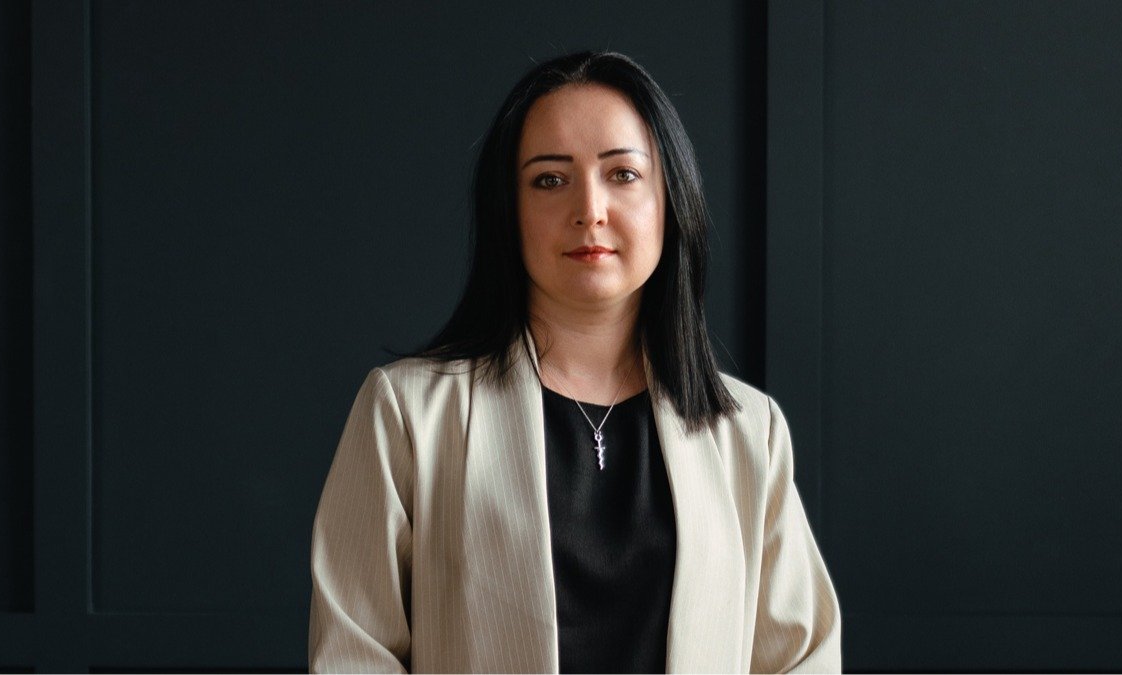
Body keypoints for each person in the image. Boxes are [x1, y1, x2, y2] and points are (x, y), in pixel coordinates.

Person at [308, 51, 841, 673]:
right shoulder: (406, 413)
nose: (590, 209)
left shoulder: (749, 430)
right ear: (509, 211)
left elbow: (801, 657)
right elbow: (352, 654)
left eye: (623, 174)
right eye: (550, 180)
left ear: (671, 200)